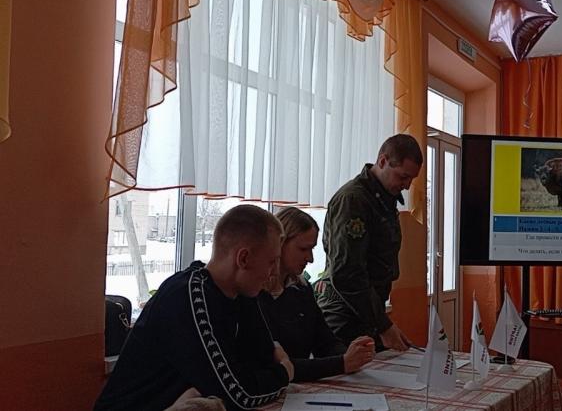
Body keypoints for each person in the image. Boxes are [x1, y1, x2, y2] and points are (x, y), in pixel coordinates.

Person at [95, 205, 293, 411]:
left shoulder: (241, 294)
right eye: (271, 262)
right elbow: (240, 395)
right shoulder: (187, 296)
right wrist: (285, 373)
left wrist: (275, 369)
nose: (274, 273)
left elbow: (264, 359)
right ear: (243, 259)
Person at [315, 134, 423, 351]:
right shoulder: (353, 200)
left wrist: (382, 323)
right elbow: (347, 273)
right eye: (403, 177)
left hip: (368, 311)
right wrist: (384, 326)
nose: (407, 186)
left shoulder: (383, 199)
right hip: (344, 313)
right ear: (382, 161)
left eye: (411, 179)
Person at [255, 207, 375, 381]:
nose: (310, 258)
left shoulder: (302, 290)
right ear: (280, 244)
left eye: (312, 249)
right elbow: (275, 365)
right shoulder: (253, 296)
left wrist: (352, 355)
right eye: (303, 249)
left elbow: (324, 342)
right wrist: (341, 363)